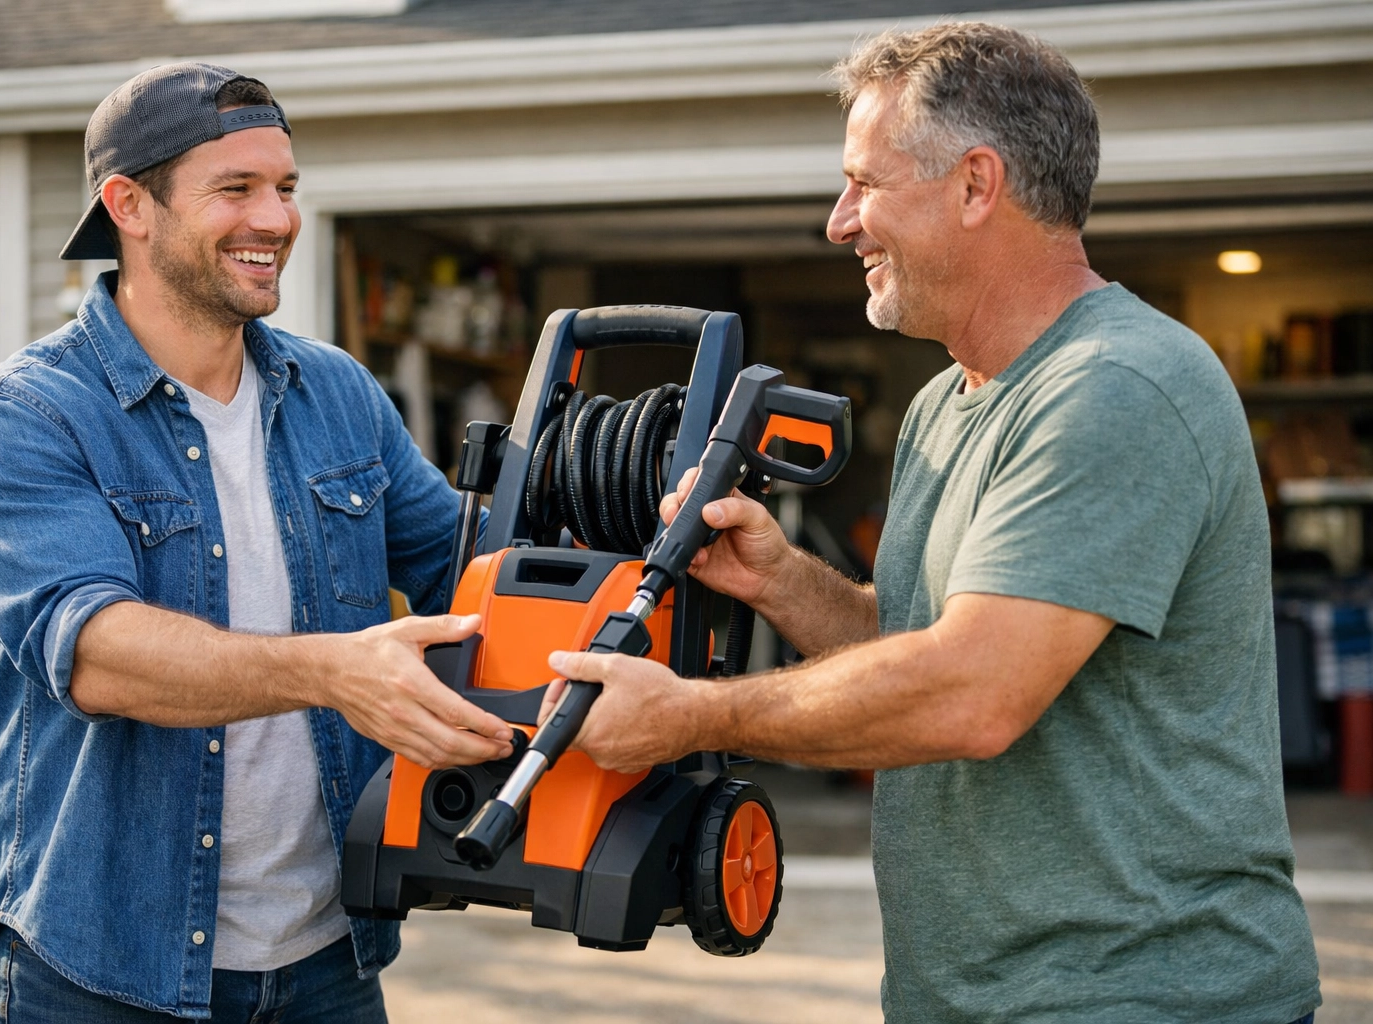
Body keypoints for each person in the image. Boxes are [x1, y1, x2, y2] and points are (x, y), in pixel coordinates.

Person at [544, 24, 1322, 1024]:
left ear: (975, 185)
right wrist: (783, 579)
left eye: (865, 183)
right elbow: (919, 643)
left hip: (1142, 998)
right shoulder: (948, 402)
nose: (839, 222)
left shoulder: (1117, 387)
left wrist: (692, 714)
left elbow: (972, 695)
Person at [0, 63, 513, 1023]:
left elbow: (475, 565)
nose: (278, 219)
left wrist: (626, 515)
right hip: (99, 970)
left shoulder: (336, 394)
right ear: (129, 204)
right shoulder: (29, 417)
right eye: (236, 189)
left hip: (328, 961)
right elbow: (96, 653)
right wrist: (336, 671)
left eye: (285, 188)